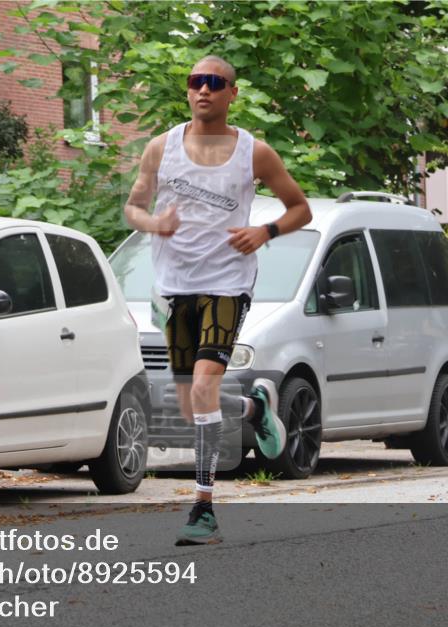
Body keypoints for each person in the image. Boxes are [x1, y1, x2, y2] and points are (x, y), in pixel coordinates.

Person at [123, 55, 313, 545]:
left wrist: (264, 230)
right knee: (191, 402)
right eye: (194, 82)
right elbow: (133, 207)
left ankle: (203, 510)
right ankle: (252, 409)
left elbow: (301, 209)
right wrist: (153, 224)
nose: (203, 89)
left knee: (203, 389)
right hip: (173, 285)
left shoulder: (255, 153)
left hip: (228, 282)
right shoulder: (160, 148)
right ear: (187, 91)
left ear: (232, 93)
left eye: (215, 82)